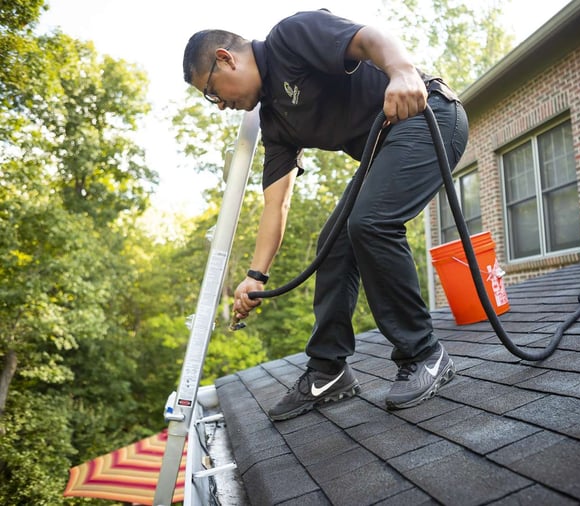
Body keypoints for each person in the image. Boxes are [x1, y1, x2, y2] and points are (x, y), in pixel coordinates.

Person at [183, 9, 468, 421]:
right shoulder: (275, 121)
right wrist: (255, 277)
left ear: (226, 58)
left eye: (211, 91)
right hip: (384, 147)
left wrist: (403, 71)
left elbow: (370, 38)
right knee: (332, 244)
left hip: (428, 114)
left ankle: (425, 354)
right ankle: (328, 370)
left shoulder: (290, 37)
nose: (220, 105)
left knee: (369, 223)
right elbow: (276, 204)